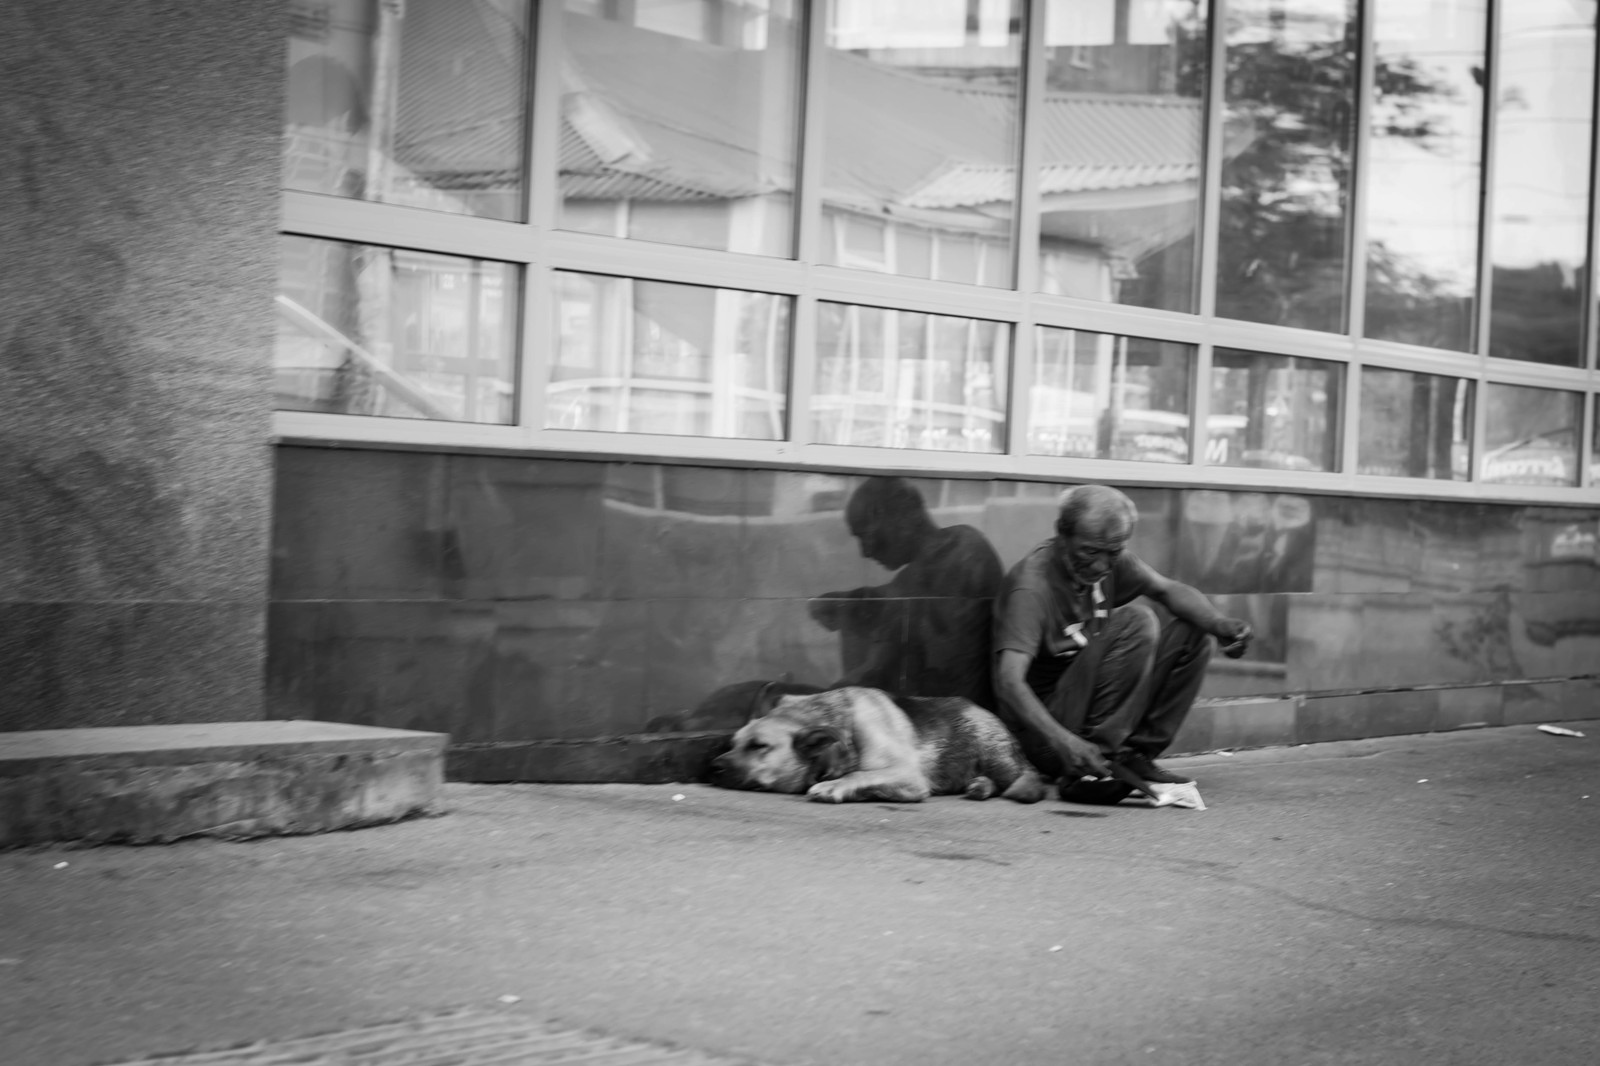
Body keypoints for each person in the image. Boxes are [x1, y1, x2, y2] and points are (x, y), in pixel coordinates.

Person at [992, 484, 1253, 803]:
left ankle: (1133, 756)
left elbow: (1167, 589)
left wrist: (1219, 624)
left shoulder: (1109, 559)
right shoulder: (1031, 588)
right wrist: (1065, 742)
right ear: (1062, 534)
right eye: (1089, 552)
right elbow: (1008, 682)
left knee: (1193, 632)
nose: (1101, 566)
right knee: (1136, 621)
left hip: (1085, 712)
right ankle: (1092, 766)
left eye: (1112, 553)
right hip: (1044, 738)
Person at [810, 477, 1004, 707]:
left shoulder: (963, 551)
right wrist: (844, 604)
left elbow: (899, 649)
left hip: (960, 717)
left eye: (865, 534)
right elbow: (891, 600)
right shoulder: (926, 566)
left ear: (893, 518)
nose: (865, 551)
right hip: (941, 712)